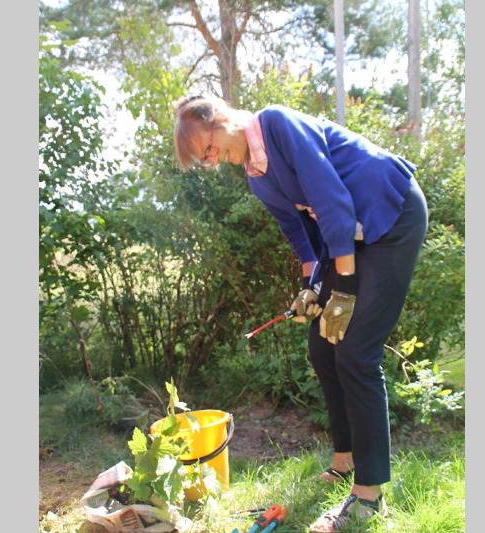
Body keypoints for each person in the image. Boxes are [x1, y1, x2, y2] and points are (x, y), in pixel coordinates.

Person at [172, 95, 428, 532]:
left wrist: (342, 288)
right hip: (353, 237)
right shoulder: (257, 177)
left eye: (209, 147)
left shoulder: (277, 124)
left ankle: (369, 497)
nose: (212, 160)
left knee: (357, 352)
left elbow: (331, 201)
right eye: (204, 160)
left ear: (221, 117)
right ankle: (345, 462)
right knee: (322, 343)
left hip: (392, 214)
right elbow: (300, 231)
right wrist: (312, 287)